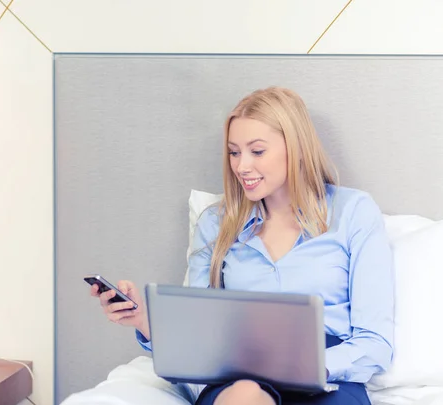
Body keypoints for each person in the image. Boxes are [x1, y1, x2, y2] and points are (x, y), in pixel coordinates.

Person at [90, 86, 395, 405]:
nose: (241, 166)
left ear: (297, 148)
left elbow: (375, 343)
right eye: (234, 152)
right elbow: (196, 341)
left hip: (327, 376)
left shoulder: (353, 212)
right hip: (240, 378)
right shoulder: (216, 224)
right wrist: (143, 320)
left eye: (257, 151)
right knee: (245, 395)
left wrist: (308, 368)